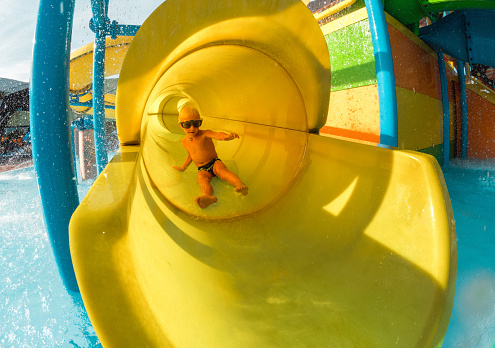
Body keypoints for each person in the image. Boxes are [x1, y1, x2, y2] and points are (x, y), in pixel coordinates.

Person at [173, 106, 248, 209]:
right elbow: (190, 155)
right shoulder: (184, 142)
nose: (192, 128)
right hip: (202, 169)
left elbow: (217, 134)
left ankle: (239, 184)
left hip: (214, 162)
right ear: (181, 125)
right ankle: (208, 196)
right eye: (187, 125)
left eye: (196, 124)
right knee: (201, 178)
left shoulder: (204, 133)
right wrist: (183, 168)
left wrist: (227, 137)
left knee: (222, 171)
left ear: (200, 122)